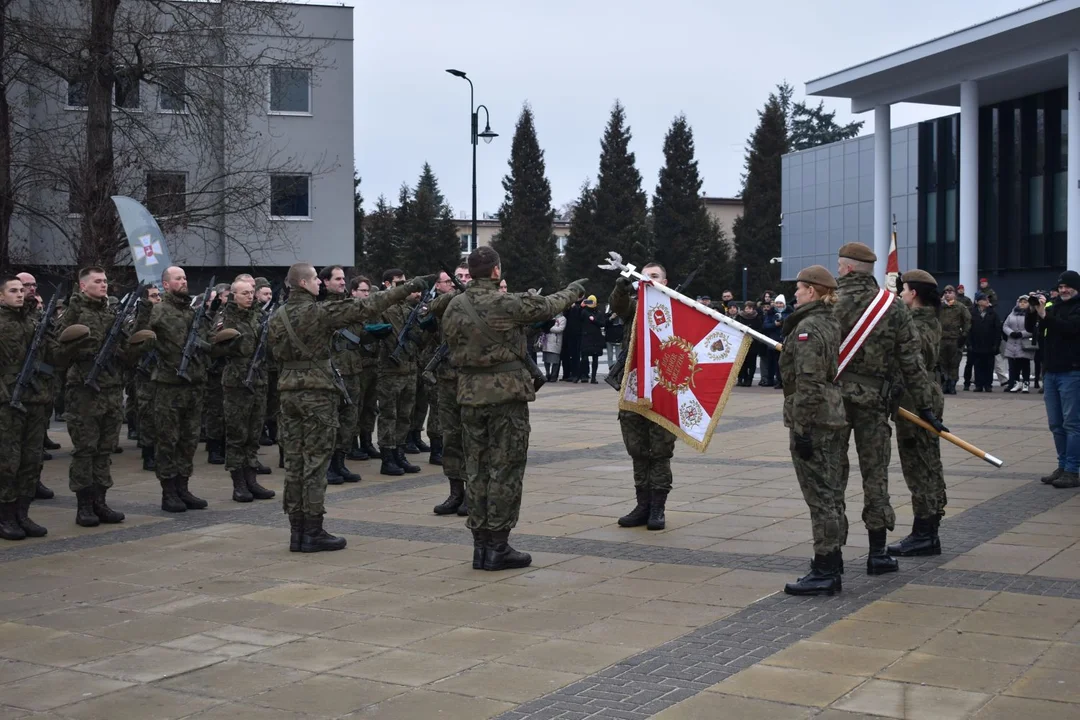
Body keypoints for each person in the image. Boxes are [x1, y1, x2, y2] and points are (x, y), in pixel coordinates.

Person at [270, 263, 432, 552]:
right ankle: (314, 530)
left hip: (287, 392)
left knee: (294, 463)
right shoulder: (319, 313)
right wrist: (407, 288)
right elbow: (368, 306)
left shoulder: (277, 316)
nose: (319, 284)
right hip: (316, 393)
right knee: (316, 463)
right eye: (315, 280)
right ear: (305, 283)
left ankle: (297, 530)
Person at [442, 246, 583, 570]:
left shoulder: (454, 305)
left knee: (476, 470)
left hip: (469, 396)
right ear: (495, 271)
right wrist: (574, 289)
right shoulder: (505, 302)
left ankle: (481, 547)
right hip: (506, 399)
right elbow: (549, 306)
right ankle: (499, 547)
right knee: (505, 470)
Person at [833, 242, 945, 575]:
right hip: (875, 404)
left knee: (833, 476)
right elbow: (913, 363)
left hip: (836, 403)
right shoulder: (892, 308)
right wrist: (925, 406)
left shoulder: (829, 302)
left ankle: (830, 554)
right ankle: (877, 553)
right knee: (876, 477)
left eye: (840, 267)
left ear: (848, 268)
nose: (838, 271)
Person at [58, 267, 154, 527]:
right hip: (84, 391)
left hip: (111, 390)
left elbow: (125, 354)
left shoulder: (111, 313)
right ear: (83, 286)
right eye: (97, 282)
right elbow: (58, 352)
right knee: (85, 450)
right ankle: (84, 506)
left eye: (104, 281)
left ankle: (100, 501)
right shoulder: (73, 313)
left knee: (104, 450)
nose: (103, 285)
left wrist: (137, 344)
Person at [779, 266, 848, 596]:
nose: (796, 293)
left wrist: (802, 427)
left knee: (820, 497)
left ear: (814, 291)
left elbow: (808, 383)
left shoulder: (807, 328)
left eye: (800, 288)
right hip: (831, 416)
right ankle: (832, 560)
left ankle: (825, 569)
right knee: (831, 492)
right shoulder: (828, 320)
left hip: (815, 419)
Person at [0, 275, 84, 540]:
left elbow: (54, 359)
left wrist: (70, 343)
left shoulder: (35, 322)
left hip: (36, 401)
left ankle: (22, 514)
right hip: (8, 403)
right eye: (13, 290)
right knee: (7, 462)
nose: (19, 294)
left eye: (21, 290)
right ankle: (5, 517)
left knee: (31, 460)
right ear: (1, 296)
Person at [150, 266, 232, 513]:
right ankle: (169, 492)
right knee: (168, 440)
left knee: (189, 440)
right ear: (165, 284)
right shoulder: (159, 312)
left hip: (194, 385)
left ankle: (183, 487)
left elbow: (206, 344)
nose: (183, 281)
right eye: (178, 278)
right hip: (169, 385)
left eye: (185, 278)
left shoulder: (192, 313)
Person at [611, 263, 678, 532]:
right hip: (634, 387)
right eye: (645, 276)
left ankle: (658, 507)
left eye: (654, 277)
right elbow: (618, 305)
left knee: (660, 450)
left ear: (665, 281)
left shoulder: (679, 309)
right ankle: (642, 505)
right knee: (637, 449)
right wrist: (622, 285)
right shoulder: (635, 307)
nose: (648, 281)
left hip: (663, 390)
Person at [888, 270, 948, 558]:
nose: (900, 294)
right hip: (918, 395)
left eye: (904, 290)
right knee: (924, 462)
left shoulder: (920, 322)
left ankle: (925, 532)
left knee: (920, 464)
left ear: (914, 293)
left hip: (917, 398)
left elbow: (917, 355)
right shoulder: (922, 319)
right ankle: (927, 529)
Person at [219, 278, 275, 503]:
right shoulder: (226, 317)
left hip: (259, 381)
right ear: (234, 295)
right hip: (237, 382)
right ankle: (238, 483)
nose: (250, 296)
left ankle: (252, 479)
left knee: (253, 434)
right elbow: (217, 346)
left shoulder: (259, 316)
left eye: (251, 292)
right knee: (237, 434)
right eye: (244, 293)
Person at [426, 265, 471, 516]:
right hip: (446, 378)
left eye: (466, 277)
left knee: (470, 437)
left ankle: (471, 493)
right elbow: (431, 308)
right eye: (458, 277)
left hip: (470, 379)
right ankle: (455, 492)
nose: (460, 280)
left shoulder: (479, 301)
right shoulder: (446, 301)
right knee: (450, 437)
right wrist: (457, 293)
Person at [375, 268, 424, 476]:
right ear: (387, 284)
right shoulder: (381, 306)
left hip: (409, 369)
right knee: (389, 415)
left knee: (405, 415)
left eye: (405, 282)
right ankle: (387, 458)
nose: (403, 287)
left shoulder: (407, 308)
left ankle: (400, 453)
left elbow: (418, 338)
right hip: (389, 370)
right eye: (398, 283)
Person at [1034, 271, 1080, 488]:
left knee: (1072, 423)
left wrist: (1046, 316)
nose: (1064, 290)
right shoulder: (1053, 306)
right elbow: (1035, 331)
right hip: (1051, 372)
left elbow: (1070, 329)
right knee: (1056, 424)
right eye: (1061, 287)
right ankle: (1062, 466)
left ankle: (1072, 470)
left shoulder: (1077, 308)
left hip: (1072, 372)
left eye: (1068, 287)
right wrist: (1036, 310)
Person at [318, 266, 363, 484]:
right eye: (337, 279)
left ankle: (340, 463)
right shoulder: (322, 308)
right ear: (325, 282)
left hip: (353, 370)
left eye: (343, 278)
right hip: (333, 372)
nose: (342, 282)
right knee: (331, 421)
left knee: (349, 420)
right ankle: (328, 466)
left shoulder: (349, 306)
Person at [939, 285, 970, 395]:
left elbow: (967, 321)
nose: (948, 294)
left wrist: (964, 335)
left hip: (955, 339)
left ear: (954, 294)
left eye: (950, 292)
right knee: (942, 363)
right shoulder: (940, 307)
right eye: (946, 292)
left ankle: (952, 385)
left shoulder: (960, 307)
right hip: (942, 339)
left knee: (954, 363)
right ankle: (944, 384)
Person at [968, 292, 1001, 393]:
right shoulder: (972, 313)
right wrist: (969, 343)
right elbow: (968, 329)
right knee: (978, 365)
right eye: (984, 299)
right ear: (978, 302)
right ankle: (978, 385)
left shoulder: (993, 313)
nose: (987, 301)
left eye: (987, 299)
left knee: (989, 366)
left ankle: (988, 385)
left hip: (989, 344)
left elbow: (997, 330)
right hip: (976, 344)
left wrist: (996, 344)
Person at [1003, 295, 1035, 393]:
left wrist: (1022, 333)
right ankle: (1016, 384)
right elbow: (1005, 325)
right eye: (1021, 302)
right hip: (1012, 343)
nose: (1022, 304)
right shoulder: (1012, 314)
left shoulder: (1031, 314)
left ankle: (1026, 383)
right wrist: (1011, 333)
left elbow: (1033, 328)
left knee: (1025, 365)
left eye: (1025, 302)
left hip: (1024, 343)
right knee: (1014, 366)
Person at [578, 295, 605, 384]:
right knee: (584, 358)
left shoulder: (599, 313)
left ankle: (593, 377)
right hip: (586, 337)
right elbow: (579, 318)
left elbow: (602, 323)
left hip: (596, 338)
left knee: (595, 358)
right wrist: (581, 307)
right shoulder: (584, 312)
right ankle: (583, 375)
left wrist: (594, 320)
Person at [735, 301, 762, 387]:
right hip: (742, 342)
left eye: (750, 308)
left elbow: (760, 328)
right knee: (743, 362)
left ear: (753, 309)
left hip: (753, 343)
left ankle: (750, 379)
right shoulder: (739, 317)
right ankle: (744, 378)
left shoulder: (757, 317)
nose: (748, 310)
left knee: (752, 363)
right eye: (746, 308)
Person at [760, 298, 783, 386]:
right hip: (772, 341)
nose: (778, 305)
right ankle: (770, 380)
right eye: (777, 303)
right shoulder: (770, 313)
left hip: (783, 340)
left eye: (780, 303)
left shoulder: (788, 313)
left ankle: (780, 381)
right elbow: (765, 325)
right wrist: (774, 324)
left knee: (780, 363)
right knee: (771, 362)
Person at [560, 295, 582, 381]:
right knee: (565, 355)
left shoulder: (582, 305)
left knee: (575, 355)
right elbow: (565, 315)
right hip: (567, 333)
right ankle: (566, 374)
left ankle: (575, 374)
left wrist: (575, 306)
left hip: (576, 334)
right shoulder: (568, 307)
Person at [541, 313, 566, 382]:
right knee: (546, 359)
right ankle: (547, 373)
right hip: (546, 340)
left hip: (555, 341)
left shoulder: (562, 318)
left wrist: (549, 328)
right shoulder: (549, 316)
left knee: (555, 360)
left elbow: (560, 329)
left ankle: (553, 375)